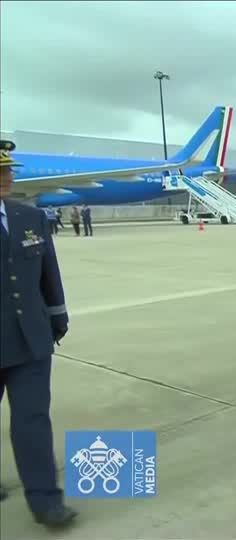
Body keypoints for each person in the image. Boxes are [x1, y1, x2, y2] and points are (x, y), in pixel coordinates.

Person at [0, 140, 78, 529]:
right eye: (0, 172)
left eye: (8, 170)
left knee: (32, 421)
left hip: (31, 340)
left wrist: (57, 316)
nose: (7, 177)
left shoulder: (29, 217)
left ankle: (46, 502)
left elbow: (49, 273)